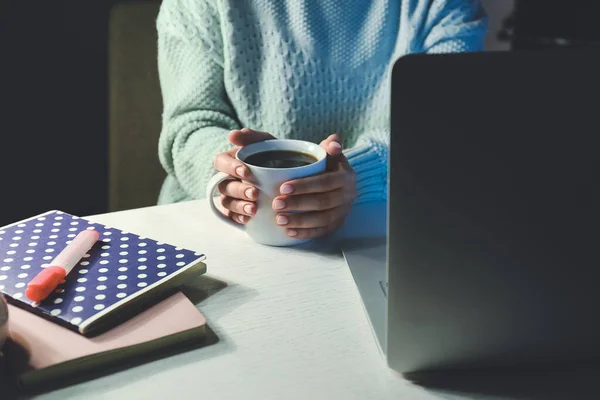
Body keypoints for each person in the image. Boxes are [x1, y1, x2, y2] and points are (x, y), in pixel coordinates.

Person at [156, 0, 488, 239]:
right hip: (222, 228)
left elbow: (446, 131)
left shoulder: (445, 5)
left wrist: (359, 174)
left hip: (390, 232)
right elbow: (189, 126)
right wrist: (233, 173)